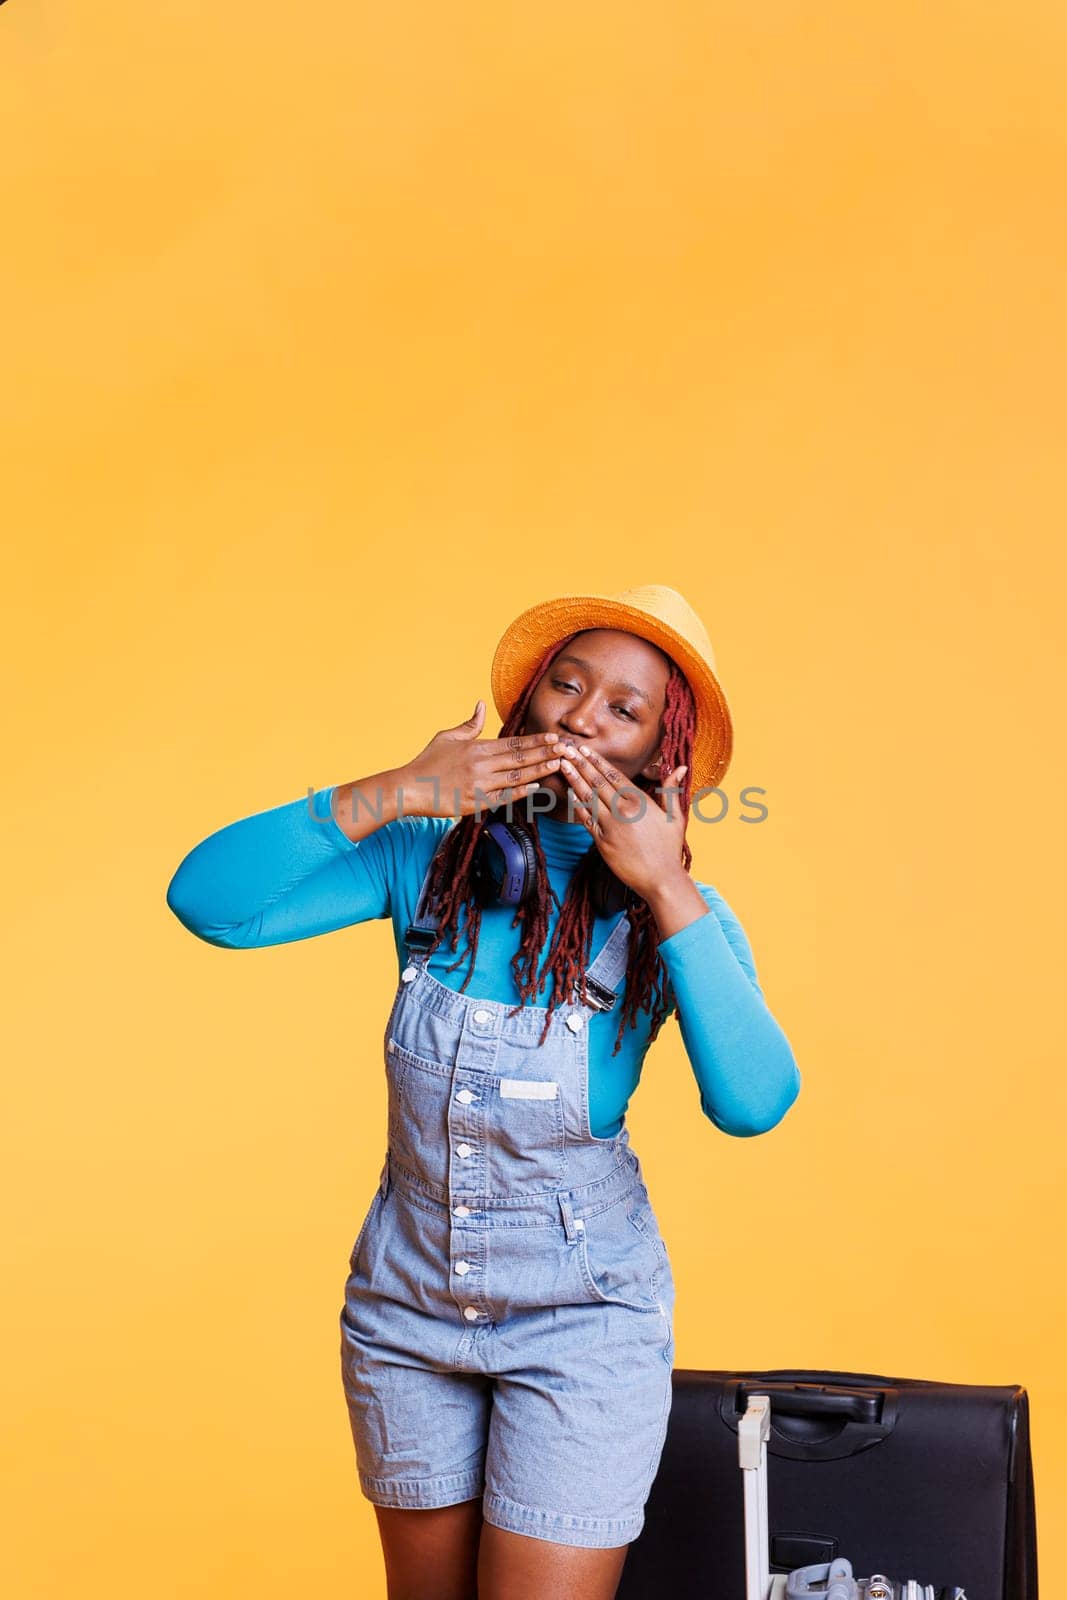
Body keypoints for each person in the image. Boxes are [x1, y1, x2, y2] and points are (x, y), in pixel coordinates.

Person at [166, 584, 801, 1600]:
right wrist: (397, 789)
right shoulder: (433, 860)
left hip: (582, 1325)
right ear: (526, 702)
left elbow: (754, 1100)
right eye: (567, 681)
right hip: (405, 1314)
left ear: (656, 760)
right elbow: (209, 902)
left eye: (622, 710)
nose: (581, 716)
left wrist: (664, 885)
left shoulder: (672, 917)